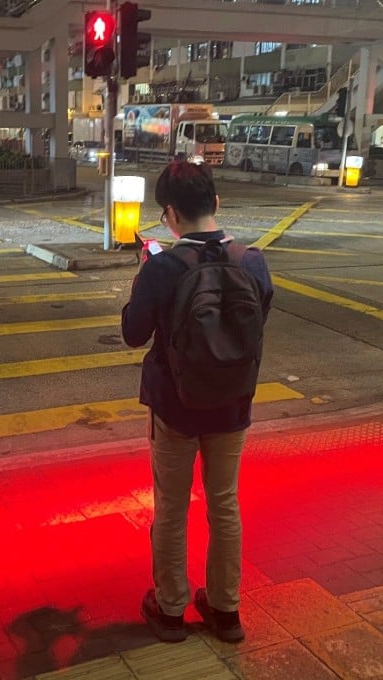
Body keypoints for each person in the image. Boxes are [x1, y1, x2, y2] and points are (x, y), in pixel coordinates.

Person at [121, 161, 274, 645]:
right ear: (217, 204)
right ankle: (226, 610)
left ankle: (171, 609)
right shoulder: (252, 260)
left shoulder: (165, 267)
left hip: (175, 407)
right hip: (232, 405)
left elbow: (132, 334)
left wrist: (144, 277)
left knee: (171, 506)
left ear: (169, 214)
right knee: (224, 502)